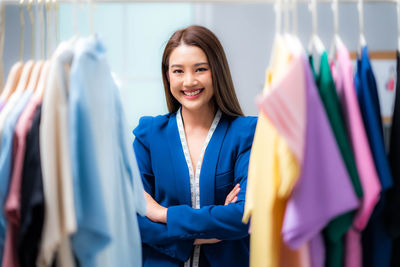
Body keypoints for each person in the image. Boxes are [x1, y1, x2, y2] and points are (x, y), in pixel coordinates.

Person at [133, 25, 257, 267]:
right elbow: (133, 219)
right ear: (167, 75)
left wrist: (162, 214)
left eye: (200, 69)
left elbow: (244, 216)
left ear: (217, 71)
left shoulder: (247, 133)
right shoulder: (148, 136)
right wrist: (212, 231)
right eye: (178, 71)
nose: (189, 81)